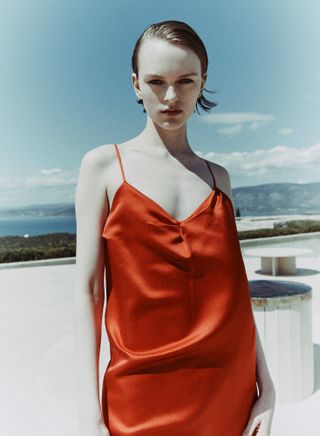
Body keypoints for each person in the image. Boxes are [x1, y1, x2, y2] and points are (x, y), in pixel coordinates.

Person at [73, 20, 276, 436]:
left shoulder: (219, 178)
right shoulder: (104, 166)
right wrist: (88, 412)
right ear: (135, 85)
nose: (170, 96)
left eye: (185, 80)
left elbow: (234, 292)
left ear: (203, 82)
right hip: (138, 391)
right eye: (156, 81)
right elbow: (89, 292)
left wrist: (267, 388)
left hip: (227, 389)